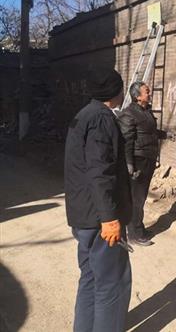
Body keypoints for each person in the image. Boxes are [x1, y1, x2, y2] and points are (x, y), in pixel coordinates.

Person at [64, 67, 132, 332]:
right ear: (114, 91)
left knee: (90, 278)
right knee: (112, 283)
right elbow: (99, 172)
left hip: (84, 215)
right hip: (100, 219)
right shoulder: (101, 119)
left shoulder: (84, 115)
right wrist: (109, 218)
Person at [118, 81, 175, 246]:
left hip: (147, 159)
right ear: (137, 96)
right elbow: (126, 141)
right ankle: (134, 235)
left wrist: (165, 135)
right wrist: (129, 164)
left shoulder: (145, 111)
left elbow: (150, 132)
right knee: (136, 198)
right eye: (147, 92)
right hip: (138, 161)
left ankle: (139, 228)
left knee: (141, 197)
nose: (150, 94)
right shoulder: (129, 114)